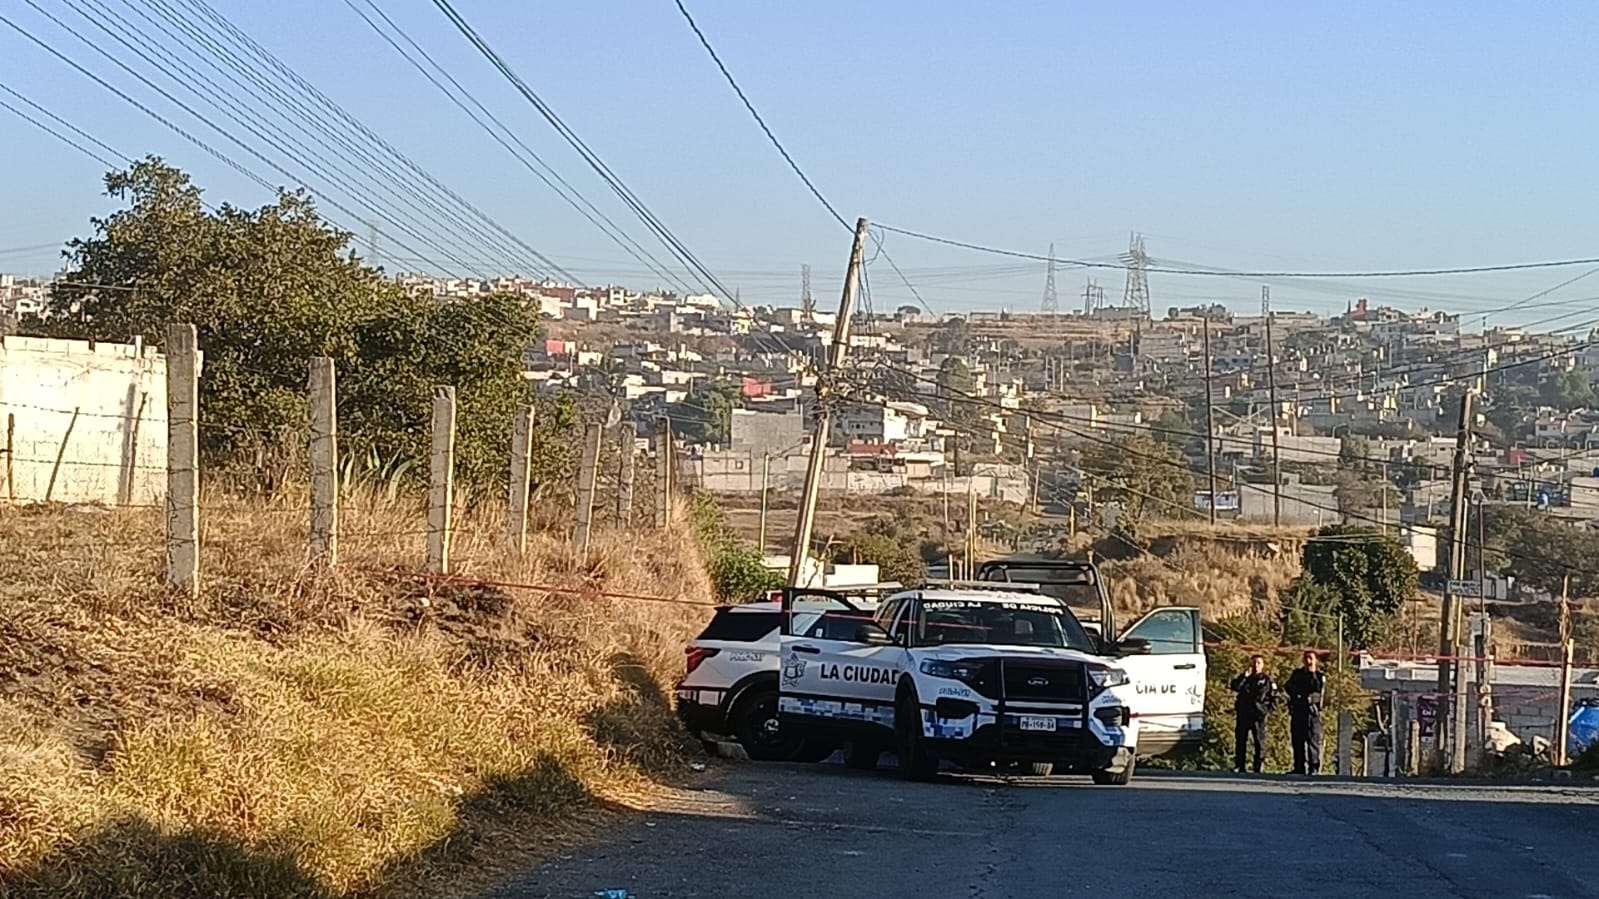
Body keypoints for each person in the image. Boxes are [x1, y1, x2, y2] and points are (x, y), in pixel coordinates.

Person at [1230, 654, 1276, 773]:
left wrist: (1266, 711)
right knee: (1241, 741)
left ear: (1263, 665)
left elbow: (1274, 698)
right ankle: (1240, 765)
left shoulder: (1266, 680)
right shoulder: (1245, 679)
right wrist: (1244, 677)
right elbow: (1235, 687)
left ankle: (1258, 766)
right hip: (1244, 714)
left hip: (1258, 715)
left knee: (1259, 742)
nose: (1256, 665)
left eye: (1258, 663)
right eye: (1254, 663)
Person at [1284, 650, 1327, 775]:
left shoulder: (1319, 676)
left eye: (1311, 659)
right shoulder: (1297, 674)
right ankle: (1299, 767)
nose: (1308, 661)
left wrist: (1312, 674)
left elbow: (1320, 692)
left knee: (1313, 740)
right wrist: (1298, 696)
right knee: (1297, 740)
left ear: (1316, 661)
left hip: (1312, 713)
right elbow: (1288, 687)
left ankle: (1314, 767)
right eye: (1306, 658)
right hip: (1298, 711)